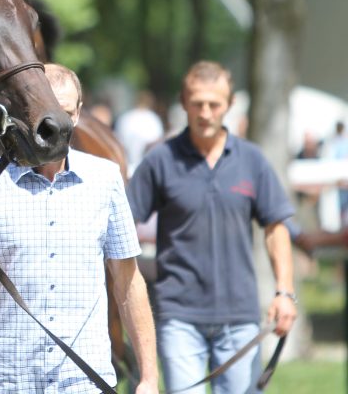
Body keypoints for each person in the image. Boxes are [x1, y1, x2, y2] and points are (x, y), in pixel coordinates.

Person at [0, 64, 159, 393]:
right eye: (43, 111)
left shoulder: (105, 180)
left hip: (83, 380)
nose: (52, 124)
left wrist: (148, 377)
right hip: (10, 381)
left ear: (77, 115)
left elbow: (128, 283)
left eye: (63, 112)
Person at [126, 61, 297, 394]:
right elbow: (121, 224)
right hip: (178, 316)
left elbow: (276, 228)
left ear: (229, 105)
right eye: (197, 103)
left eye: (214, 104)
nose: (205, 112)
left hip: (241, 317)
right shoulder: (160, 160)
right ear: (184, 103)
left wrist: (285, 292)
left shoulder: (252, 160)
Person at [114, 90, 164, 176]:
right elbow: (157, 144)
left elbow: (117, 142)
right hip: (148, 169)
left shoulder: (125, 118)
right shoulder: (153, 119)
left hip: (126, 167)